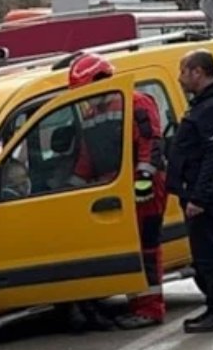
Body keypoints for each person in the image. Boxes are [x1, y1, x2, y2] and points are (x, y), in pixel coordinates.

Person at [65, 52, 169, 329]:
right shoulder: (92, 112)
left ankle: (150, 308)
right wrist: (71, 186)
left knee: (146, 249)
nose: (86, 94)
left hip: (143, 188)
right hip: (114, 188)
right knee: (127, 249)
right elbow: (88, 156)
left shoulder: (135, 102)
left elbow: (151, 143)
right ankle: (136, 303)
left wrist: (143, 180)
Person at [169, 50, 213, 333]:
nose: (180, 77)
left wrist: (199, 197)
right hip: (196, 192)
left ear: (197, 72)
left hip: (207, 196)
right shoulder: (205, 104)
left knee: (211, 254)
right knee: (203, 254)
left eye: (183, 71)